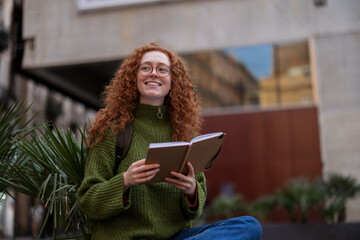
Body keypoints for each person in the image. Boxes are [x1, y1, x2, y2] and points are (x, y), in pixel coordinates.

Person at [77, 42, 262, 239]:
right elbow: (88, 200)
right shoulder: (114, 129)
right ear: (133, 77)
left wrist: (191, 190)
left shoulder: (183, 132)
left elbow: (195, 208)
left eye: (162, 69)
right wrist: (125, 181)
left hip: (176, 236)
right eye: (145, 67)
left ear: (173, 80)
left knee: (250, 226)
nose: (154, 73)